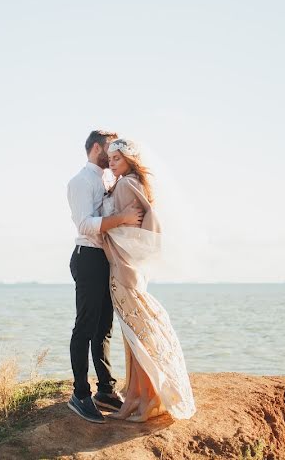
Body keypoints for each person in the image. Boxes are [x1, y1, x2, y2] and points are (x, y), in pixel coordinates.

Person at [101, 138, 196, 422]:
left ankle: (146, 400)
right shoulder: (128, 183)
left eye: (116, 158)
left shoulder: (127, 184)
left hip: (124, 268)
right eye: (110, 158)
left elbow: (135, 227)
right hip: (128, 266)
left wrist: (113, 224)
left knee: (137, 335)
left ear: (130, 160)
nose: (111, 163)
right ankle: (135, 398)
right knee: (133, 335)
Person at [66, 130, 145, 424]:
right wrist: (123, 219)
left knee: (104, 328)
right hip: (87, 258)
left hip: (106, 259)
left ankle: (106, 389)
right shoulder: (80, 182)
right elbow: (86, 225)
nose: (113, 156)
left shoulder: (109, 180)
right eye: (109, 149)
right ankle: (80, 394)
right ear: (96, 147)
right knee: (84, 327)